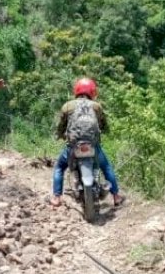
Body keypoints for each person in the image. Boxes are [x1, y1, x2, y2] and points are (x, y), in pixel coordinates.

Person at [50, 78, 124, 207]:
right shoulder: (96, 106)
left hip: (73, 146)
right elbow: (104, 125)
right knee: (106, 167)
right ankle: (116, 196)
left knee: (60, 167)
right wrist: (105, 130)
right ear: (92, 92)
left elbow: (61, 126)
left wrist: (60, 135)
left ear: (77, 91)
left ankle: (57, 197)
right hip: (93, 146)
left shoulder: (68, 106)